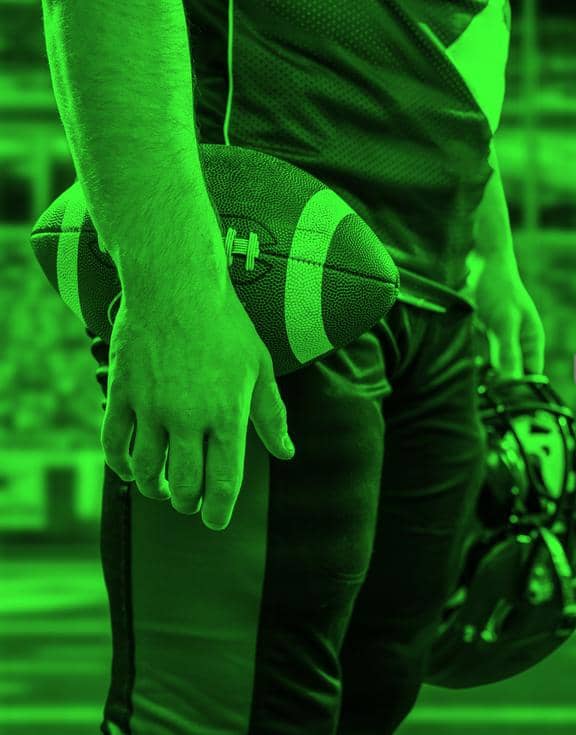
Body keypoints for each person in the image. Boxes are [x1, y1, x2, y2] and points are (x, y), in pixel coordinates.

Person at [41, 1, 543, 732]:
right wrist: (174, 290)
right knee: (223, 710)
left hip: (432, 280)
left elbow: (453, 40)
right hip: (276, 246)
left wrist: (489, 251)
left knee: (371, 686)